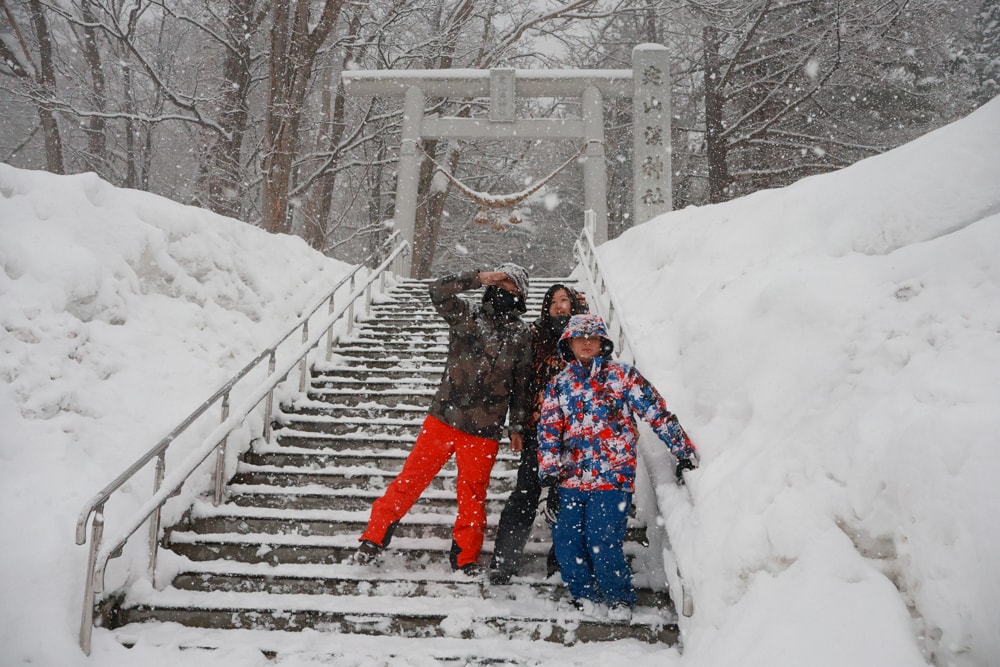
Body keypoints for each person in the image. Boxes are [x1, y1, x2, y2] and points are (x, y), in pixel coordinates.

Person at [353, 263, 533, 577]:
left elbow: (522, 384)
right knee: (410, 481)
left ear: (521, 295)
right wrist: (476, 278)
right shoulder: (467, 316)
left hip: (484, 430)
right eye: (501, 283)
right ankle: (373, 537)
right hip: (444, 418)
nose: (506, 291)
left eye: (513, 286)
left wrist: (517, 425)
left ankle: (465, 557)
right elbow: (437, 290)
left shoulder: (523, 334)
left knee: (472, 497)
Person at [537, 314, 698, 622]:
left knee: (602, 541)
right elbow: (548, 433)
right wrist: (549, 477)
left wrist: (683, 451)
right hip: (570, 479)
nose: (586, 343)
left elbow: (656, 412)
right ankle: (583, 594)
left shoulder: (622, 376)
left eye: (592, 337)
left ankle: (618, 597)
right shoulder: (559, 385)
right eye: (579, 338)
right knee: (567, 543)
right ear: (568, 343)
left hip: (612, 477)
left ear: (602, 343)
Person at [489, 283, 589, 585]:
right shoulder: (535, 336)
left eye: (564, 301)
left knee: (566, 499)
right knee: (525, 495)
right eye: (553, 301)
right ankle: (504, 562)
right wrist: (517, 426)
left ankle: (561, 565)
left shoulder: (589, 338)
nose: (559, 306)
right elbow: (523, 383)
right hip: (538, 432)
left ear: (575, 305)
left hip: (575, 435)